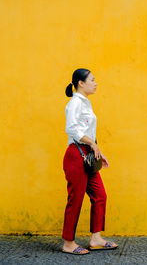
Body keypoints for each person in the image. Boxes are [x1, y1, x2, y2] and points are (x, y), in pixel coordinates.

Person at [61, 68, 118, 255]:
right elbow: (72, 129)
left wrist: (97, 150)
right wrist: (92, 143)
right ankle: (68, 243)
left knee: (100, 195)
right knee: (75, 199)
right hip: (76, 155)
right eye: (92, 80)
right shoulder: (74, 103)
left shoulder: (86, 103)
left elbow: (88, 131)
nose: (96, 83)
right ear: (81, 83)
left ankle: (96, 238)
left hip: (88, 155)